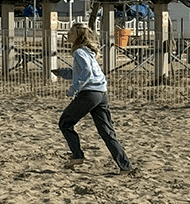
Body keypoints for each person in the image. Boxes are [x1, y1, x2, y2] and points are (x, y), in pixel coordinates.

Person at [54, 23, 134, 174]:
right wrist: (62, 72)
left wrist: (73, 89)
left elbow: (86, 72)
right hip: (101, 94)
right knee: (107, 132)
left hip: (89, 94)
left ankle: (77, 155)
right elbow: (81, 72)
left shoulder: (79, 52)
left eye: (71, 32)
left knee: (65, 123)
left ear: (79, 35)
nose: (68, 35)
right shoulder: (87, 52)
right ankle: (126, 167)